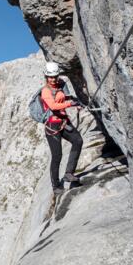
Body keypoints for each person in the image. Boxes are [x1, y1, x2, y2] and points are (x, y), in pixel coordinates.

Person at [41, 62, 83, 194]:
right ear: (46, 77)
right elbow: (53, 106)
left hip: (64, 122)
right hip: (52, 126)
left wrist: (76, 103)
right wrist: (70, 103)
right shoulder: (45, 91)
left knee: (78, 141)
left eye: (55, 76)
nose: (53, 79)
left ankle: (69, 173)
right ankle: (56, 186)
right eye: (50, 77)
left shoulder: (61, 86)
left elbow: (65, 98)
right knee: (57, 155)